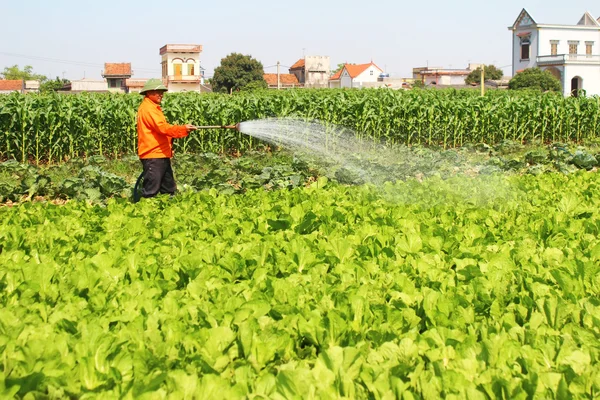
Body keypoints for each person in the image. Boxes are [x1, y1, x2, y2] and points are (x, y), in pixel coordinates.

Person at [136, 79, 196, 198]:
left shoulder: (154, 108)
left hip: (161, 153)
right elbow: (162, 128)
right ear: (148, 93)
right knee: (151, 191)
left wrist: (182, 130)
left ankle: (169, 211)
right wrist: (182, 129)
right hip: (153, 154)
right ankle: (144, 212)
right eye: (157, 92)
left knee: (168, 188)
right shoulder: (148, 109)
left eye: (162, 92)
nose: (160, 94)